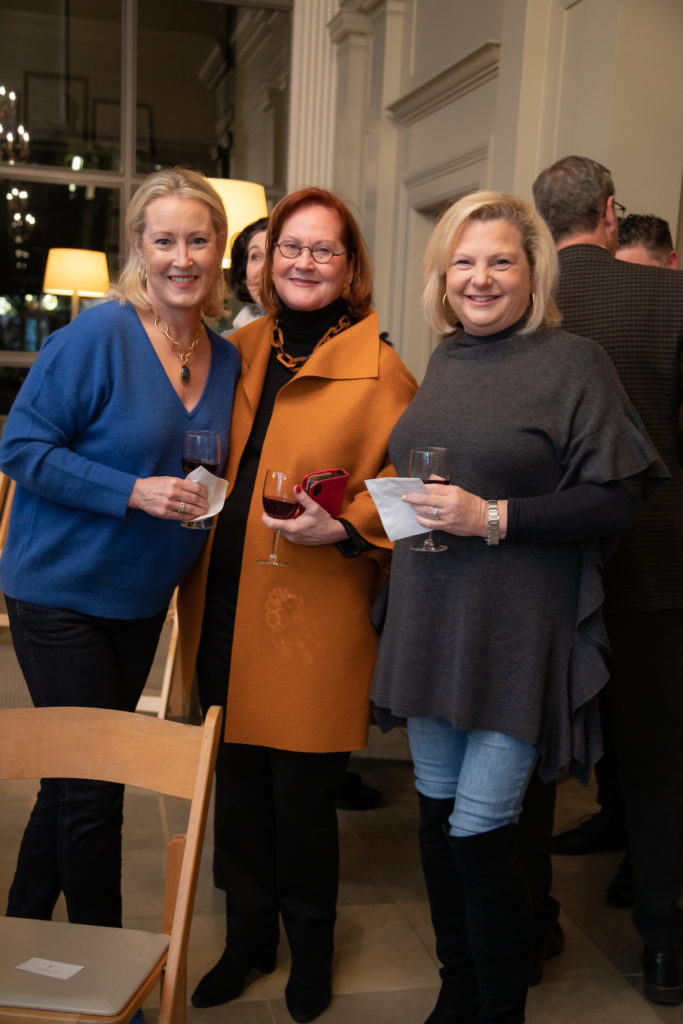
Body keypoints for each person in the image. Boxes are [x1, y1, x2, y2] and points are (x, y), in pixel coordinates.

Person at [369, 190, 667, 1024]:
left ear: (532, 268)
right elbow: (441, 486)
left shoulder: (573, 362)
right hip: (432, 617)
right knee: (435, 822)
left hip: (515, 630)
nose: (480, 277)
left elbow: (618, 497)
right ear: (441, 276)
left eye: (500, 259)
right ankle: (456, 992)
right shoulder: (447, 359)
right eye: (463, 261)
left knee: (484, 829)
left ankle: (494, 1007)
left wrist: (491, 518)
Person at [177, 186, 417, 1023]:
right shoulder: (233, 349)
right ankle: (248, 943)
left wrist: (348, 524)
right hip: (222, 606)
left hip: (314, 619)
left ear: (351, 270)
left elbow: (412, 491)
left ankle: (309, 950)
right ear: (266, 260)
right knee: (236, 795)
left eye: (324, 250)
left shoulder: (382, 371)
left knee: (303, 805)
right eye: (290, 247)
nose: (304, 262)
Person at [0, 167, 241, 931]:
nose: (182, 257)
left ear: (219, 249)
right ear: (139, 246)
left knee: (72, 780)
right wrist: (132, 490)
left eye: (197, 240)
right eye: (164, 239)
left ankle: (19, 935)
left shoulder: (225, 354)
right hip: (60, 590)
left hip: (141, 597)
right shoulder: (97, 336)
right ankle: (107, 966)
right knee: (98, 786)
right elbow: (20, 446)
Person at [532, 155, 683, 1006]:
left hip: (541, 563)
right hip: (657, 564)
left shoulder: (522, 299)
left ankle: (530, 922)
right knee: (658, 761)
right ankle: (663, 943)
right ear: (610, 212)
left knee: (524, 761)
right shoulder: (671, 296)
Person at [226, 215, 268, 332]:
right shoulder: (228, 343)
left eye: (275, 255)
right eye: (256, 257)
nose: (265, 268)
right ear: (244, 275)